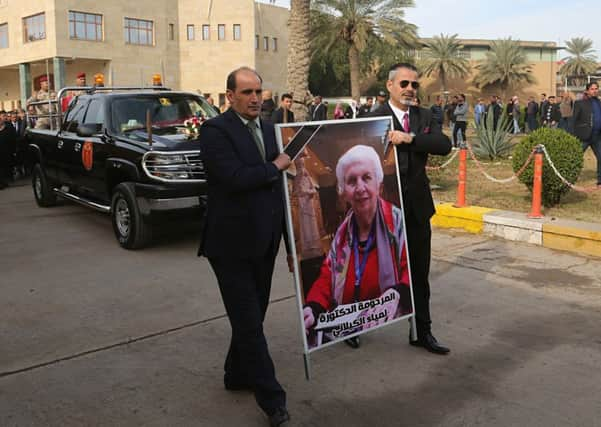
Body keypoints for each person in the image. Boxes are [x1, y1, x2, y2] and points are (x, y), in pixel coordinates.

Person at [197, 66, 292, 427]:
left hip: (264, 242)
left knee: (252, 316)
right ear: (230, 96)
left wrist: (289, 246)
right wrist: (276, 166)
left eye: (259, 92)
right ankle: (273, 401)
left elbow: (278, 195)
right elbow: (234, 179)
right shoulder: (215, 131)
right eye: (247, 92)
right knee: (250, 323)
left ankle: (235, 375)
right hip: (230, 245)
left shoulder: (270, 130)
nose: (255, 99)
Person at [371, 62, 452, 355]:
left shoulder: (423, 116)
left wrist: (411, 138)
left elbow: (443, 144)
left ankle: (422, 331)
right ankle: (355, 328)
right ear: (390, 86)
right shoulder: (372, 118)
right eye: (404, 84)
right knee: (372, 272)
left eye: (414, 85)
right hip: (382, 209)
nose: (409, 89)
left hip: (417, 208)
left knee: (419, 273)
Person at [302, 145, 411, 349]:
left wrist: (399, 292)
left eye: (366, 178)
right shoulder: (342, 236)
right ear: (344, 193)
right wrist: (313, 306)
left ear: (378, 185)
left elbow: (410, 268)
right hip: (348, 320)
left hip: (388, 326)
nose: (360, 188)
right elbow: (327, 276)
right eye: (352, 181)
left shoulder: (397, 223)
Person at [571, 81, 601, 188]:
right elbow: (573, 120)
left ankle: (600, 181)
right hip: (584, 136)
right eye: (592, 89)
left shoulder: (599, 102)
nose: (594, 90)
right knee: (575, 158)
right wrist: (573, 135)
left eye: (596, 88)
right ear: (587, 91)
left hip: (597, 137)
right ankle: (569, 179)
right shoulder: (579, 103)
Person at [0, 114, 17, 189]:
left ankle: (5, 181)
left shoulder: (9, 127)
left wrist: (14, 150)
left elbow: (13, 139)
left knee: (6, 167)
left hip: (7, 151)